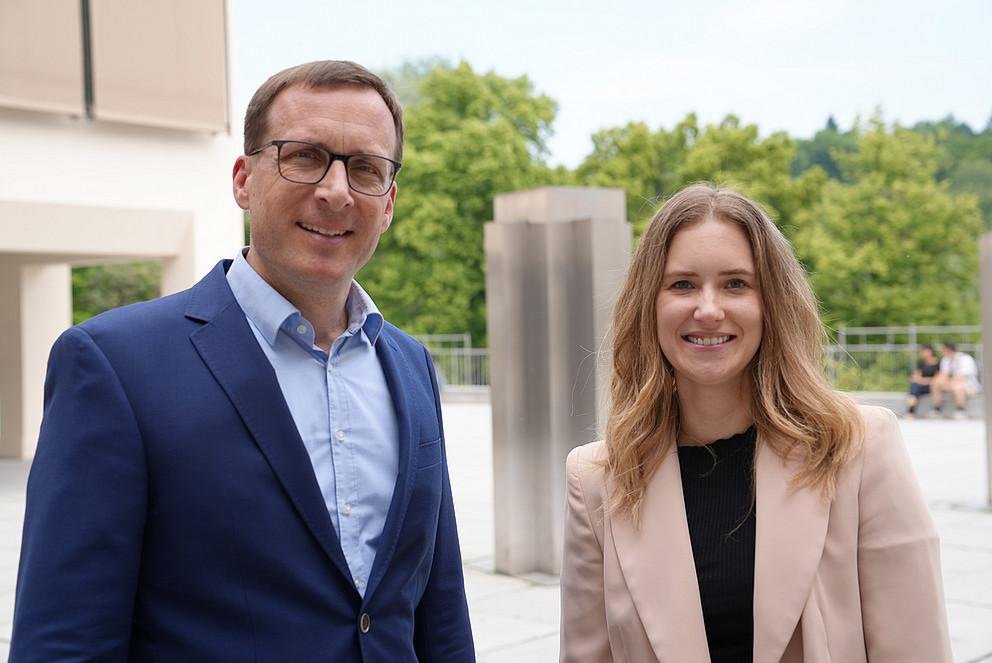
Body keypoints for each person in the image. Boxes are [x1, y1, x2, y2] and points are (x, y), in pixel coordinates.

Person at [11, 60, 475, 662]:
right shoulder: (114, 365)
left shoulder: (411, 367)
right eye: (305, 156)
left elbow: (440, 609)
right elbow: (64, 641)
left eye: (365, 168)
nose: (336, 190)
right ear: (242, 179)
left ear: (388, 203)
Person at [560, 184, 951, 662]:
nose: (707, 309)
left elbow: (917, 650)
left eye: (735, 284)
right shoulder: (597, 479)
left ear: (772, 304)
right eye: (682, 284)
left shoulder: (860, 448)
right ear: (649, 304)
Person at [931, 340, 981, 419]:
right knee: (936, 383)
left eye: (942, 349)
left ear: (948, 349)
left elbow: (962, 377)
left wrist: (948, 381)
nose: (941, 351)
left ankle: (960, 410)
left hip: (970, 386)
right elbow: (943, 375)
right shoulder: (945, 360)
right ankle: (937, 410)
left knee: (957, 386)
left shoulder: (965, 359)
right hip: (952, 383)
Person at [906, 343, 940, 418]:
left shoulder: (938, 363)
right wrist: (921, 380)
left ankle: (910, 411)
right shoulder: (921, 362)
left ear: (930, 351)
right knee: (914, 387)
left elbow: (937, 378)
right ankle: (910, 411)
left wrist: (923, 380)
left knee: (916, 387)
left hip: (931, 385)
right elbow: (916, 376)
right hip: (921, 384)